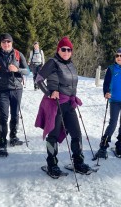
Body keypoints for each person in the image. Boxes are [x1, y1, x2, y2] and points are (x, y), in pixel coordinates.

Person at [34, 36, 93, 176]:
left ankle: (78, 162)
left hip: (69, 104)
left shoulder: (71, 64)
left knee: (76, 134)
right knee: (53, 135)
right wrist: (49, 93)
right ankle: (51, 164)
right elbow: (38, 79)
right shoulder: (52, 62)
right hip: (57, 104)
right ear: (58, 49)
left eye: (69, 50)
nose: (66, 52)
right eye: (63, 49)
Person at [0, 33, 30, 157]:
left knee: (15, 115)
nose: (6, 44)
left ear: (11, 43)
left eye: (8, 42)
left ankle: (13, 137)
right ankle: (2, 144)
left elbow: (28, 71)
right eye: (4, 42)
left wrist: (17, 70)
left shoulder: (18, 55)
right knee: (3, 116)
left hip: (16, 89)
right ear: (0, 43)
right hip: (2, 90)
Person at [94, 48, 121, 159]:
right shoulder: (111, 69)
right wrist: (106, 92)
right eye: (117, 55)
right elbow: (106, 83)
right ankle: (103, 146)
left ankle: (120, 146)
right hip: (115, 101)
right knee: (113, 123)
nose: (118, 57)